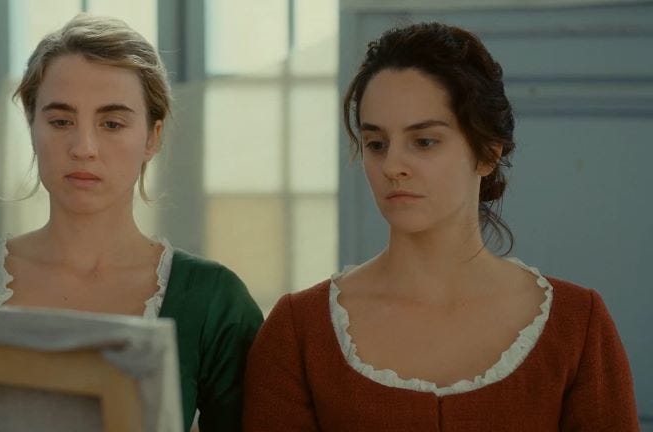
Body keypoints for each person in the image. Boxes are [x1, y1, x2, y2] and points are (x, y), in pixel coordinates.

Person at [243, 22, 639, 431]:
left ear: (487, 152)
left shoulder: (577, 325)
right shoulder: (299, 331)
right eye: (376, 144)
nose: (393, 166)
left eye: (424, 141)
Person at [0, 13, 263, 431]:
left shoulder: (215, 302)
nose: (83, 148)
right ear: (32, 126)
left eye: (112, 123)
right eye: (61, 121)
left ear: (152, 137)